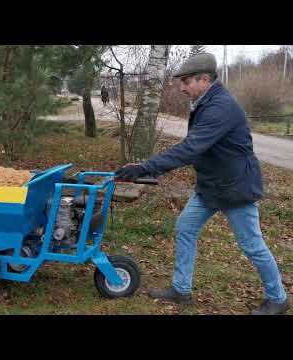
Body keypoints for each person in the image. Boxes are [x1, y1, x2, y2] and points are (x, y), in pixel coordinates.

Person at [115, 53, 290, 315]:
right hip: (210, 186)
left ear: (204, 79)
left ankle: (278, 298)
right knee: (185, 227)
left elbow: (190, 148)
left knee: (252, 244)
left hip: (234, 187)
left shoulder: (220, 108)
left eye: (186, 82)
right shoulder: (204, 102)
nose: (182, 87)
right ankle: (181, 290)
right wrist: (145, 168)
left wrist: (145, 167)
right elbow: (197, 149)